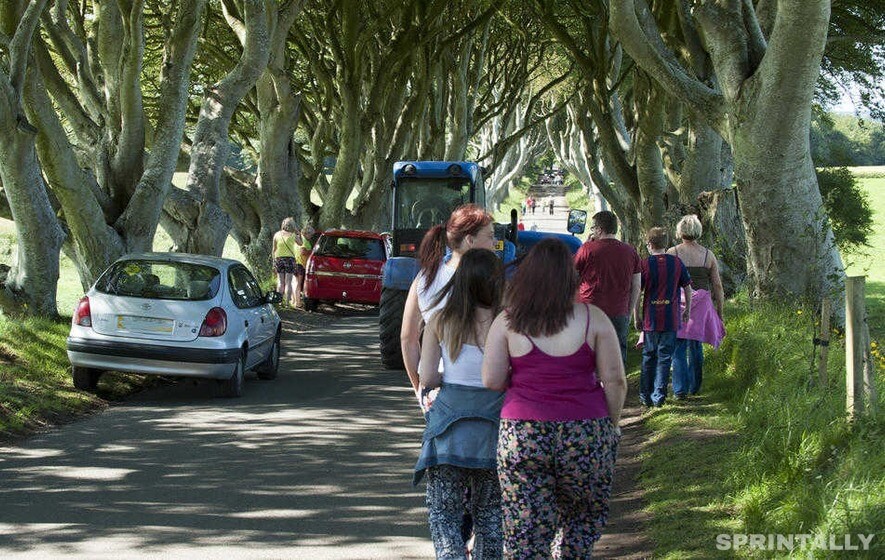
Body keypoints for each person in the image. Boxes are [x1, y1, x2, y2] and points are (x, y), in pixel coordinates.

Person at [483, 238, 627, 558]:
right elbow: (615, 380)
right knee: (582, 516)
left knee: (525, 527)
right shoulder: (594, 319)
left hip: (522, 433)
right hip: (585, 432)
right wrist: (612, 424)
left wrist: (522, 380)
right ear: (570, 278)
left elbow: (491, 380)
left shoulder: (507, 321)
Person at [414, 249, 506, 560]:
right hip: (494, 429)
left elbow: (426, 375)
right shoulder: (507, 323)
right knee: (491, 515)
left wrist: (444, 381)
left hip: (449, 431)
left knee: (444, 515)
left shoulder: (441, 319)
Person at [401, 204, 497, 408]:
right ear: (470, 240)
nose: (495, 242)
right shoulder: (489, 280)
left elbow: (407, 338)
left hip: (436, 391)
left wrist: (419, 388)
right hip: (485, 391)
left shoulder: (424, 279)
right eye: (490, 236)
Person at [667, 215, 725, 398]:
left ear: (680, 231)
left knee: (678, 345)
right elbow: (717, 286)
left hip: (679, 302)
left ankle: (679, 389)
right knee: (696, 345)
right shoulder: (708, 255)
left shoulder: (672, 253)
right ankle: (694, 386)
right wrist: (720, 312)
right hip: (702, 304)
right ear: (698, 231)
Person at [634, 227, 692, 407]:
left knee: (649, 355)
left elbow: (637, 291)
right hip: (670, 316)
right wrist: (687, 309)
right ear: (666, 244)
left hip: (651, 317)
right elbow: (687, 287)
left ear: (650, 245)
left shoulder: (644, 264)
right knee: (665, 356)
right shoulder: (676, 263)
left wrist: (636, 315)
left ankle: (645, 395)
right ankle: (659, 396)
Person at [574, 210, 641, 366]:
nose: (592, 231)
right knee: (616, 357)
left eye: (592, 228)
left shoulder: (587, 249)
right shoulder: (631, 252)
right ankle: (614, 388)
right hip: (619, 312)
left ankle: (591, 387)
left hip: (589, 311)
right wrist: (628, 311)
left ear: (599, 229)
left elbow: (571, 274)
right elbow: (636, 285)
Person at [272, 218, 301, 307]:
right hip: (290, 259)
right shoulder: (293, 235)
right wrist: (298, 233)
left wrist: (274, 260)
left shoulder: (277, 235)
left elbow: (274, 249)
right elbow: (300, 243)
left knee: (280, 282)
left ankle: (279, 302)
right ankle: (287, 303)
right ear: (292, 226)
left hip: (279, 259)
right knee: (288, 282)